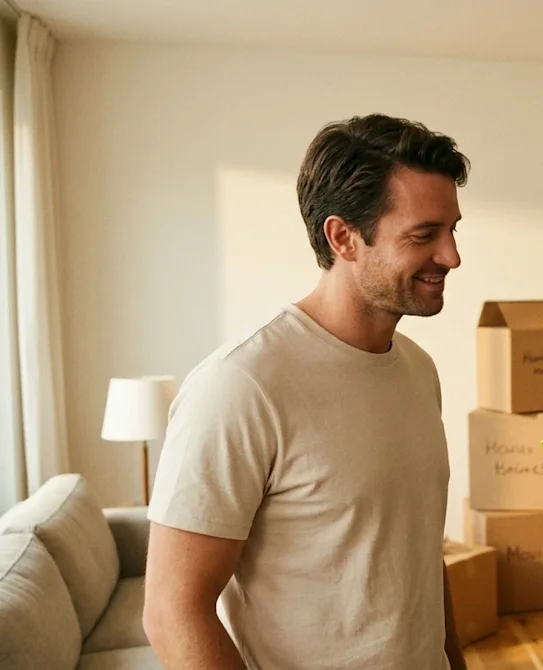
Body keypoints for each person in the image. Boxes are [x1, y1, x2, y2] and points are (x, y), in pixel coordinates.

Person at [142, 114, 470, 670]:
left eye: (453, 230)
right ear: (343, 237)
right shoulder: (240, 386)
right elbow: (173, 613)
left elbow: (417, 554)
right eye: (424, 235)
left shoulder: (419, 370)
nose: (452, 256)